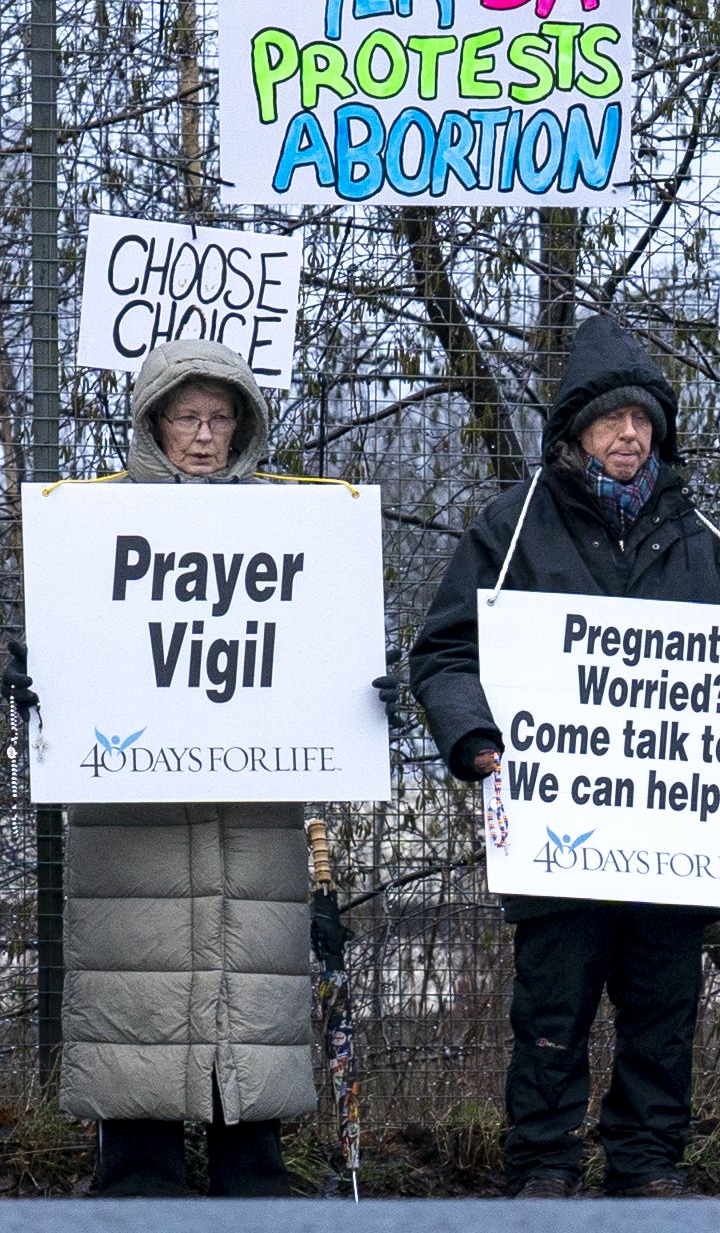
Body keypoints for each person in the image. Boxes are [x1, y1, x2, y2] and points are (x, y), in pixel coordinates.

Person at [410, 313, 720, 1199]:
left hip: (677, 838)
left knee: (664, 1013)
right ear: (577, 429)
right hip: (554, 829)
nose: (630, 434)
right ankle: (541, 1168)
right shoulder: (513, 527)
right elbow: (444, 655)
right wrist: (473, 740)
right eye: (613, 419)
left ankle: (648, 1167)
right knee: (550, 1013)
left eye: (644, 419)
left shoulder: (700, 537)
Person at [30, 342, 384, 1195]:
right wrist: (35, 680)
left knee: (248, 993)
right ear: (154, 422)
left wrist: (358, 684)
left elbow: (314, 643)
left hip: (252, 817)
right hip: (130, 827)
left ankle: (250, 1172)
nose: (203, 435)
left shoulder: (296, 525)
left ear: (244, 425)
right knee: (137, 994)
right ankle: (138, 1175)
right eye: (186, 416)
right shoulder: (91, 523)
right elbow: (72, 654)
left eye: (220, 417)